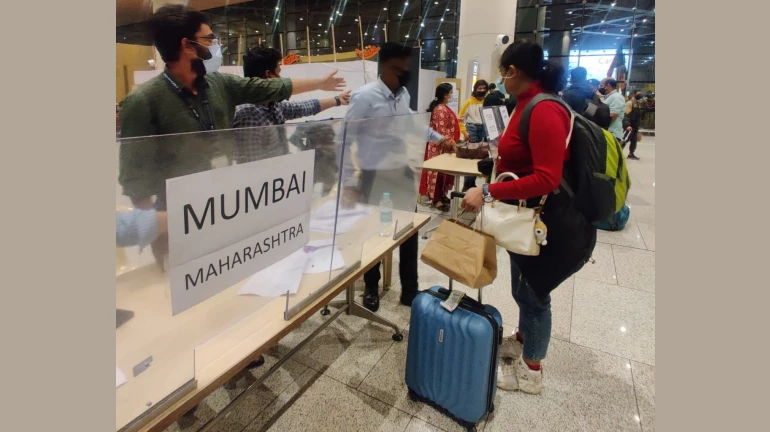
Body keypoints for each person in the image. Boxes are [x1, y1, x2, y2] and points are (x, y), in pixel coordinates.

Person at [461, 39, 596, 395]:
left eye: (502, 72)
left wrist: (488, 192)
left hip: (547, 222)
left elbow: (547, 178)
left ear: (513, 71)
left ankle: (531, 371)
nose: (500, 79)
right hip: (524, 216)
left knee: (534, 297)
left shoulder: (545, 109)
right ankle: (523, 340)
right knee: (522, 289)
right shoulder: (525, 103)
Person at [118, 4, 346, 212]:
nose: (216, 45)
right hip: (179, 211)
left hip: (224, 201)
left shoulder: (219, 84)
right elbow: (136, 180)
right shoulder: (143, 101)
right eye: (209, 39)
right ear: (187, 45)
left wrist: (320, 84)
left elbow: (270, 88)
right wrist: (156, 227)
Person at [342, 42, 455, 312]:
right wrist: (348, 183)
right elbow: (346, 140)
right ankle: (371, 287)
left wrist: (440, 139)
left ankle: (410, 290)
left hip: (401, 172)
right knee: (373, 232)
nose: (404, 73)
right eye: (399, 68)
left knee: (408, 232)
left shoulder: (403, 95)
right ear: (384, 67)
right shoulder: (364, 97)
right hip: (373, 174)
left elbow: (412, 124)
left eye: (406, 68)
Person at [232, 46, 352, 164]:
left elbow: (301, 108)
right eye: (278, 73)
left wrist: (337, 100)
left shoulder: (271, 105)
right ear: (268, 75)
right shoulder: (248, 115)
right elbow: (250, 166)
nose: (281, 79)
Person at [419, 83, 461, 212]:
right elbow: (441, 131)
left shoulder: (444, 108)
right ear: (445, 94)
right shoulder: (440, 109)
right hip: (439, 147)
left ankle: (442, 195)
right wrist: (452, 143)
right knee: (437, 175)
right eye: (450, 93)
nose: (452, 95)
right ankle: (436, 200)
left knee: (443, 175)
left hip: (445, 147)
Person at [459, 80, 489, 191]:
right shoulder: (469, 102)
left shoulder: (487, 101)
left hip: (484, 128)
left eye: (484, 88)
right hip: (472, 128)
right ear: (475, 89)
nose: (482, 90)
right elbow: (460, 118)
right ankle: (467, 183)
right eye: (479, 88)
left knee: (481, 156)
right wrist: (464, 132)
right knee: (471, 156)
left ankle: (473, 182)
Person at [625, 92, 643, 160]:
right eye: (638, 94)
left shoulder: (637, 104)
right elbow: (626, 115)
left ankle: (631, 153)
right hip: (629, 126)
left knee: (634, 140)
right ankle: (618, 152)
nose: (640, 95)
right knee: (625, 140)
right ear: (634, 94)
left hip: (635, 125)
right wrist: (627, 125)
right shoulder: (630, 103)